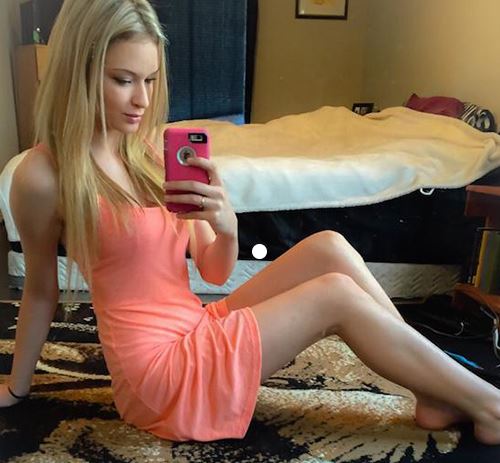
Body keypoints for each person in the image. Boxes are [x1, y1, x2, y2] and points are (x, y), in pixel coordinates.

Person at [1, 0, 500, 445]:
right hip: (159, 373)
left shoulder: (150, 154)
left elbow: (214, 271)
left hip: (196, 325)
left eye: (149, 80)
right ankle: (487, 404)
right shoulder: (43, 176)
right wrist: (17, 388)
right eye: (123, 80)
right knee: (335, 296)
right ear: (80, 70)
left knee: (329, 246)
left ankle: (433, 388)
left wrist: (225, 222)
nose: (142, 101)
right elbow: (40, 290)